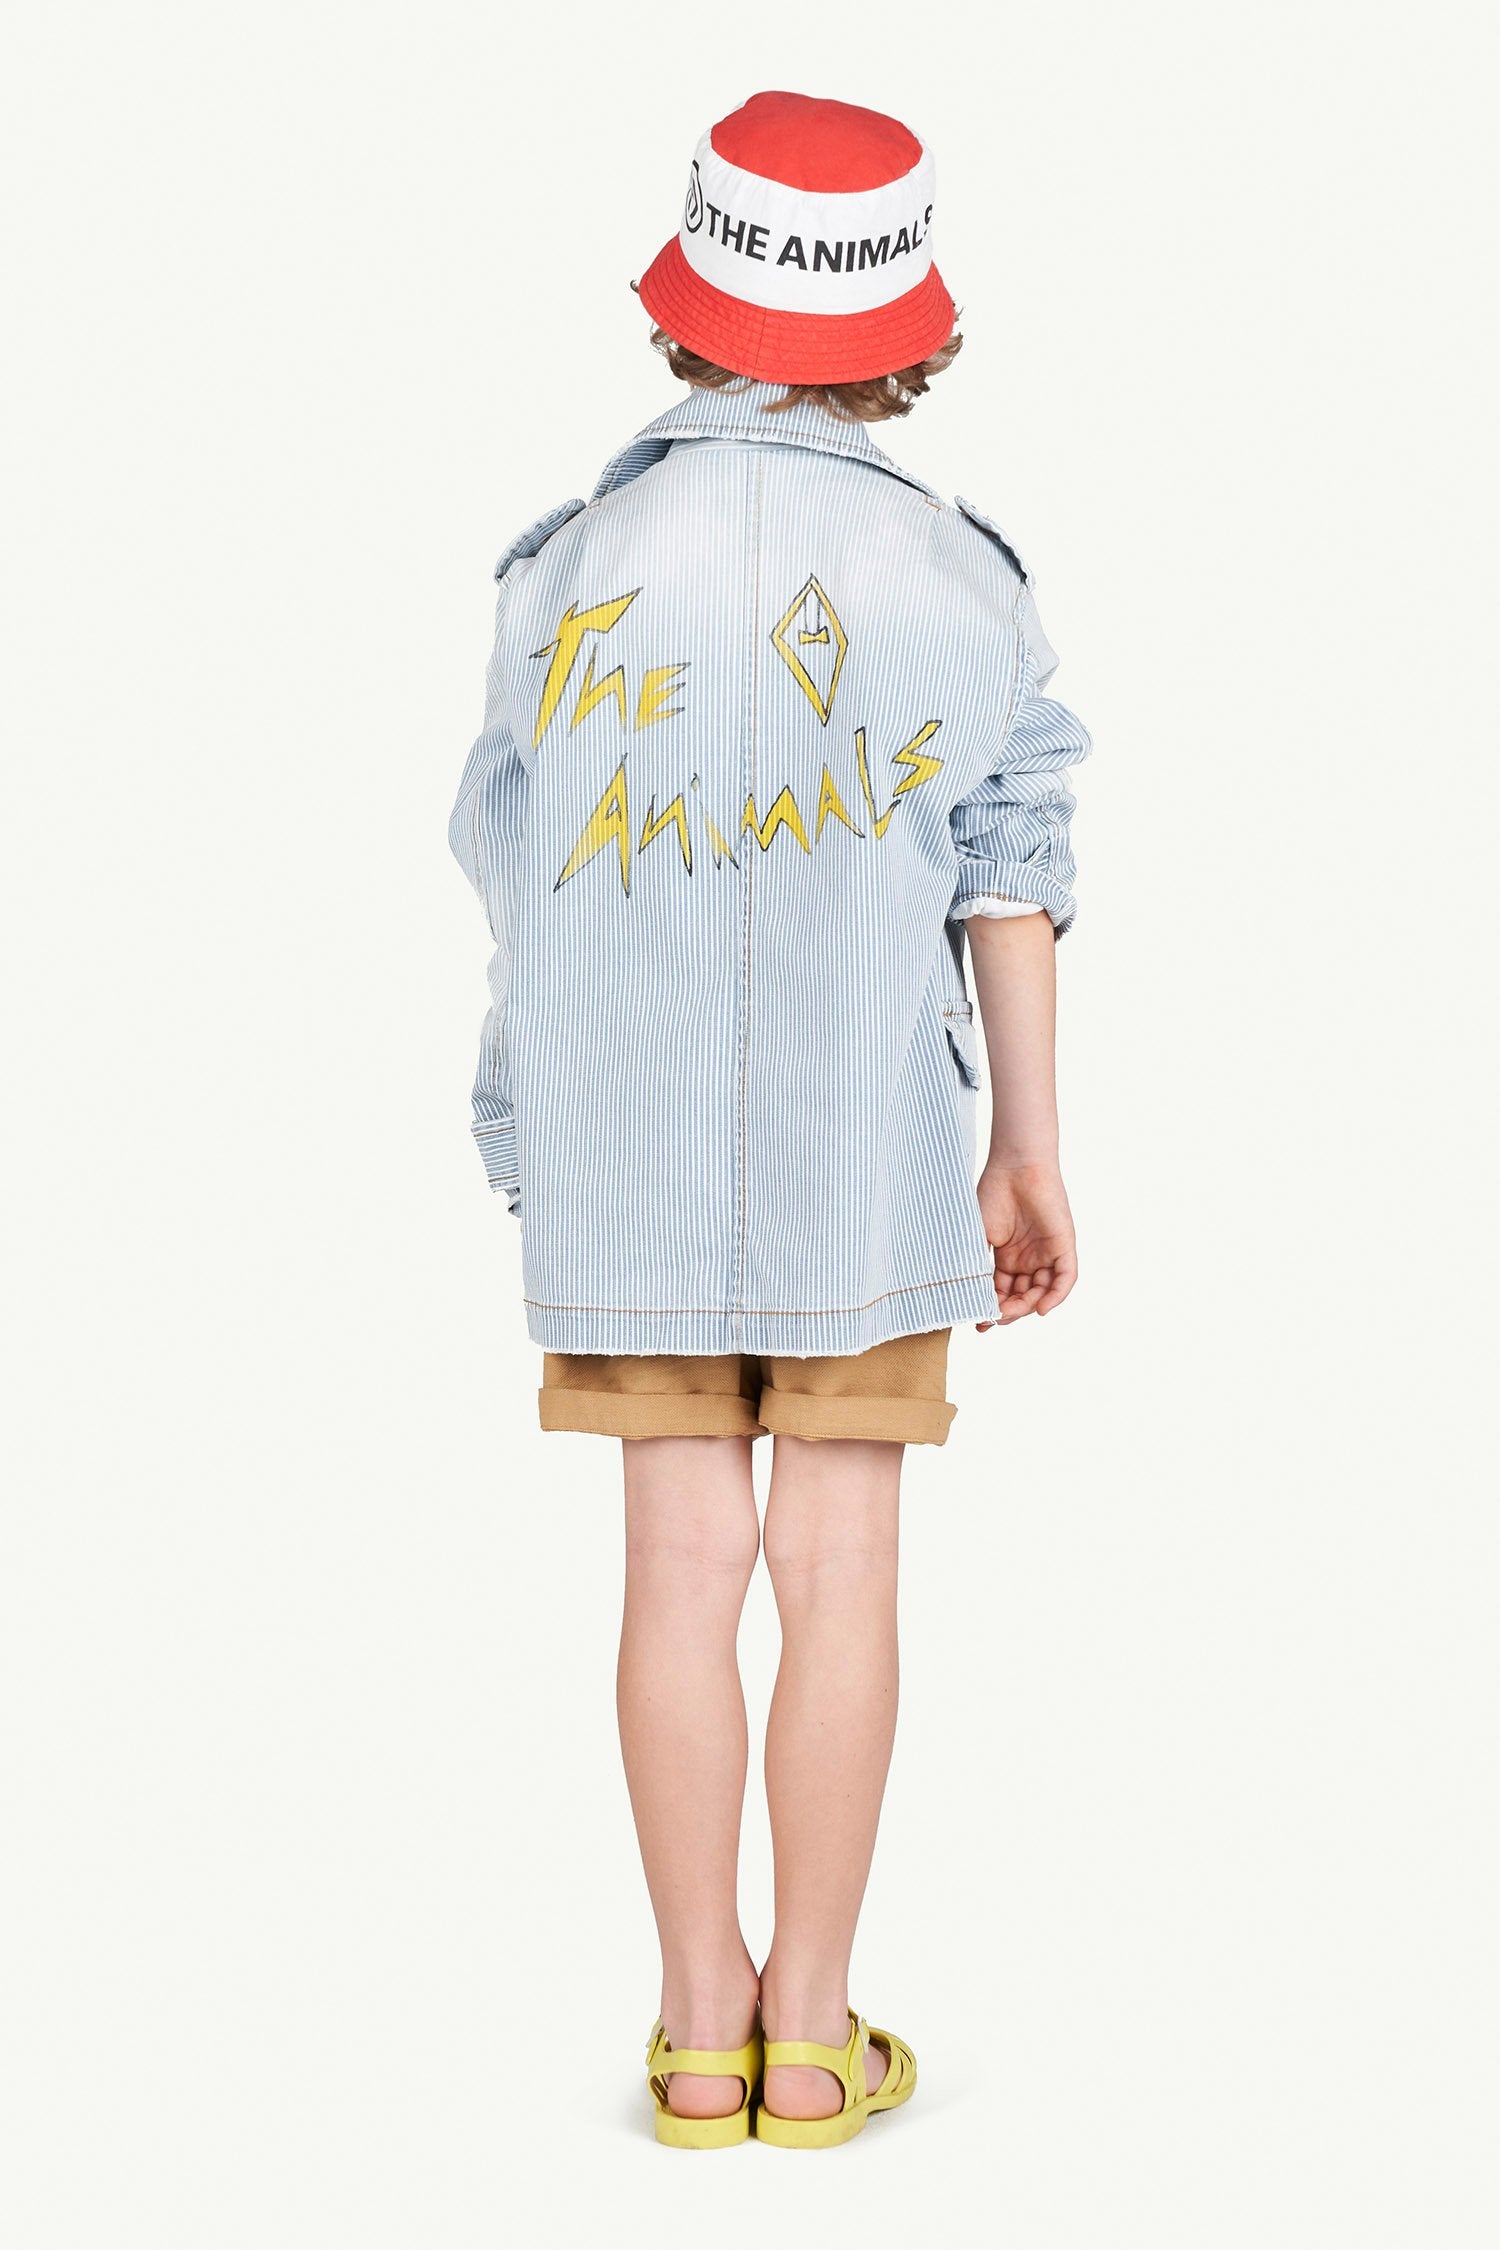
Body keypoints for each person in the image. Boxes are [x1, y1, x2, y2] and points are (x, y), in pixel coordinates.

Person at [448, 89, 1092, 2149]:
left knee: (673, 1563)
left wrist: (526, 1122)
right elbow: (1012, 872)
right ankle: (812, 2038)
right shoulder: (959, 577)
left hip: (625, 1153)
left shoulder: (568, 568)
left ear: (690, 296)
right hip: (862, 1159)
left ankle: (691, 2022)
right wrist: (1024, 1150)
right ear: (903, 323)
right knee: (843, 1559)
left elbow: (510, 873)